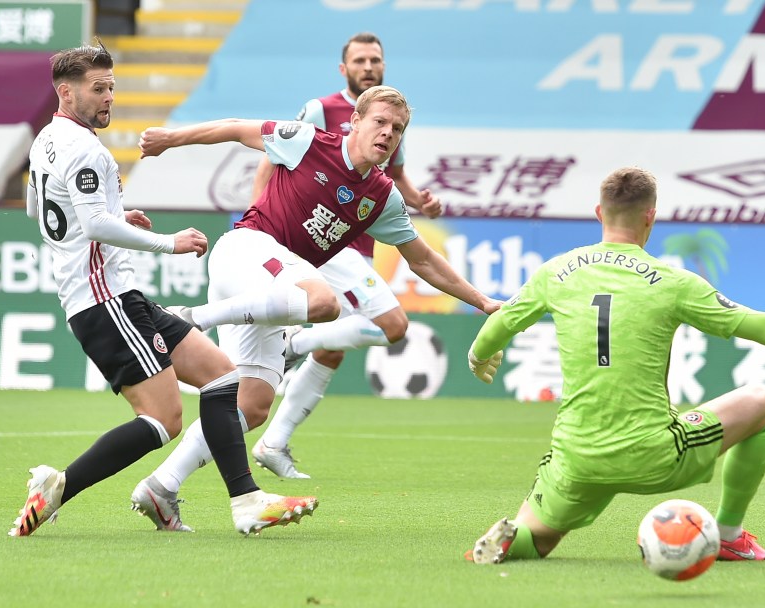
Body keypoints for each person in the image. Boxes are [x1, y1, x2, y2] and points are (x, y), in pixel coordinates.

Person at [463, 167, 765, 564]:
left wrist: (481, 353)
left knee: (538, 540)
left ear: (599, 214)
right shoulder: (672, 282)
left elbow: (498, 323)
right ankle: (729, 536)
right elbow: (758, 326)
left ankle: (512, 540)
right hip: (655, 455)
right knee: (764, 402)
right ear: (650, 217)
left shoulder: (556, 271)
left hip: (577, 458)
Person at [133, 85, 500, 530]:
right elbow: (233, 128)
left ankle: (161, 487)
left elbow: (422, 258)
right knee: (322, 300)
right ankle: (192, 318)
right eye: (380, 122)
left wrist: (482, 301)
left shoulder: (383, 197)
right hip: (247, 251)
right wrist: (170, 138)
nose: (387, 134)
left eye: (397, 129)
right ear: (356, 121)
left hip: (270, 291)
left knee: (251, 406)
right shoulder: (305, 139)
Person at [11, 42, 316, 538]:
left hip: (117, 295)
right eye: (98, 88)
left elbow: (38, 212)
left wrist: (115, 218)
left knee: (221, 378)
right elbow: (92, 224)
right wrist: (165, 242)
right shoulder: (86, 149)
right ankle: (59, 485)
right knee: (162, 419)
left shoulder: (45, 139)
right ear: (66, 92)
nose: (109, 97)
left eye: (111, 87)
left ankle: (246, 501)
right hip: (104, 300)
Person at [249, 32, 443, 480]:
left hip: (355, 241)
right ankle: (292, 344)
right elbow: (272, 156)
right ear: (345, 69)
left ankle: (275, 441)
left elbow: (395, 177)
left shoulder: (390, 120)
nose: (369, 66)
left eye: (375, 59)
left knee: (333, 349)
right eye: (360, 60)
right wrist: (259, 221)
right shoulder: (320, 110)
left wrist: (420, 202)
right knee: (392, 325)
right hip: (319, 239)